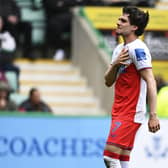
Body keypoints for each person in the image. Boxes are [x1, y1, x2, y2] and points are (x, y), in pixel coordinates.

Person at [103, 6, 160, 168]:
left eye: (123, 20)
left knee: (109, 156)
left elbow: (150, 80)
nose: (118, 22)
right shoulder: (119, 50)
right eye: (119, 19)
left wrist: (153, 114)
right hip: (119, 110)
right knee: (122, 158)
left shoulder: (138, 48)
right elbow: (108, 81)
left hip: (131, 111)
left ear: (134, 27)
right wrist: (115, 64)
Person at [0, 16, 20, 92]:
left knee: (16, 69)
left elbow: (11, 47)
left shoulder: (7, 35)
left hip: (5, 63)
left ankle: (15, 90)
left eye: (0, 22)